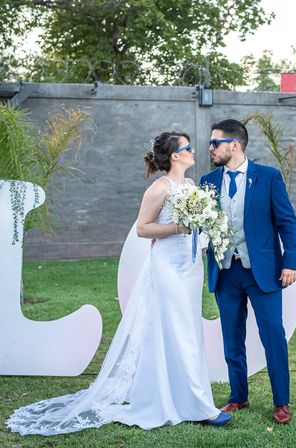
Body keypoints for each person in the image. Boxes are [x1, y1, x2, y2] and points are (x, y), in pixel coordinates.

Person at [6, 131, 231, 436]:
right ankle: (195, 405)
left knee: (188, 330)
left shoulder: (191, 185)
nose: (194, 152)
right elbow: (143, 229)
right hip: (166, 266)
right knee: (175, 330)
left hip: (190, 266)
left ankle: (186, 398)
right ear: (175, 156)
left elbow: (196, 224)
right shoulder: (158, 188)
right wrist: (180, 226)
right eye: (188, 148)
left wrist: (203, 229)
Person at [200, 119, 296, 424]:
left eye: (215, 142)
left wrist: (289, 263)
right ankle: (238, 397)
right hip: (225, 272)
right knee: (232, 338)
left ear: (235, 144)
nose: (211, 148)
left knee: (273, 336)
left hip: (264, 273)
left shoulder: (268, 177)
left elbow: (288, 223)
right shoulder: (208, 181)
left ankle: (281, 402)